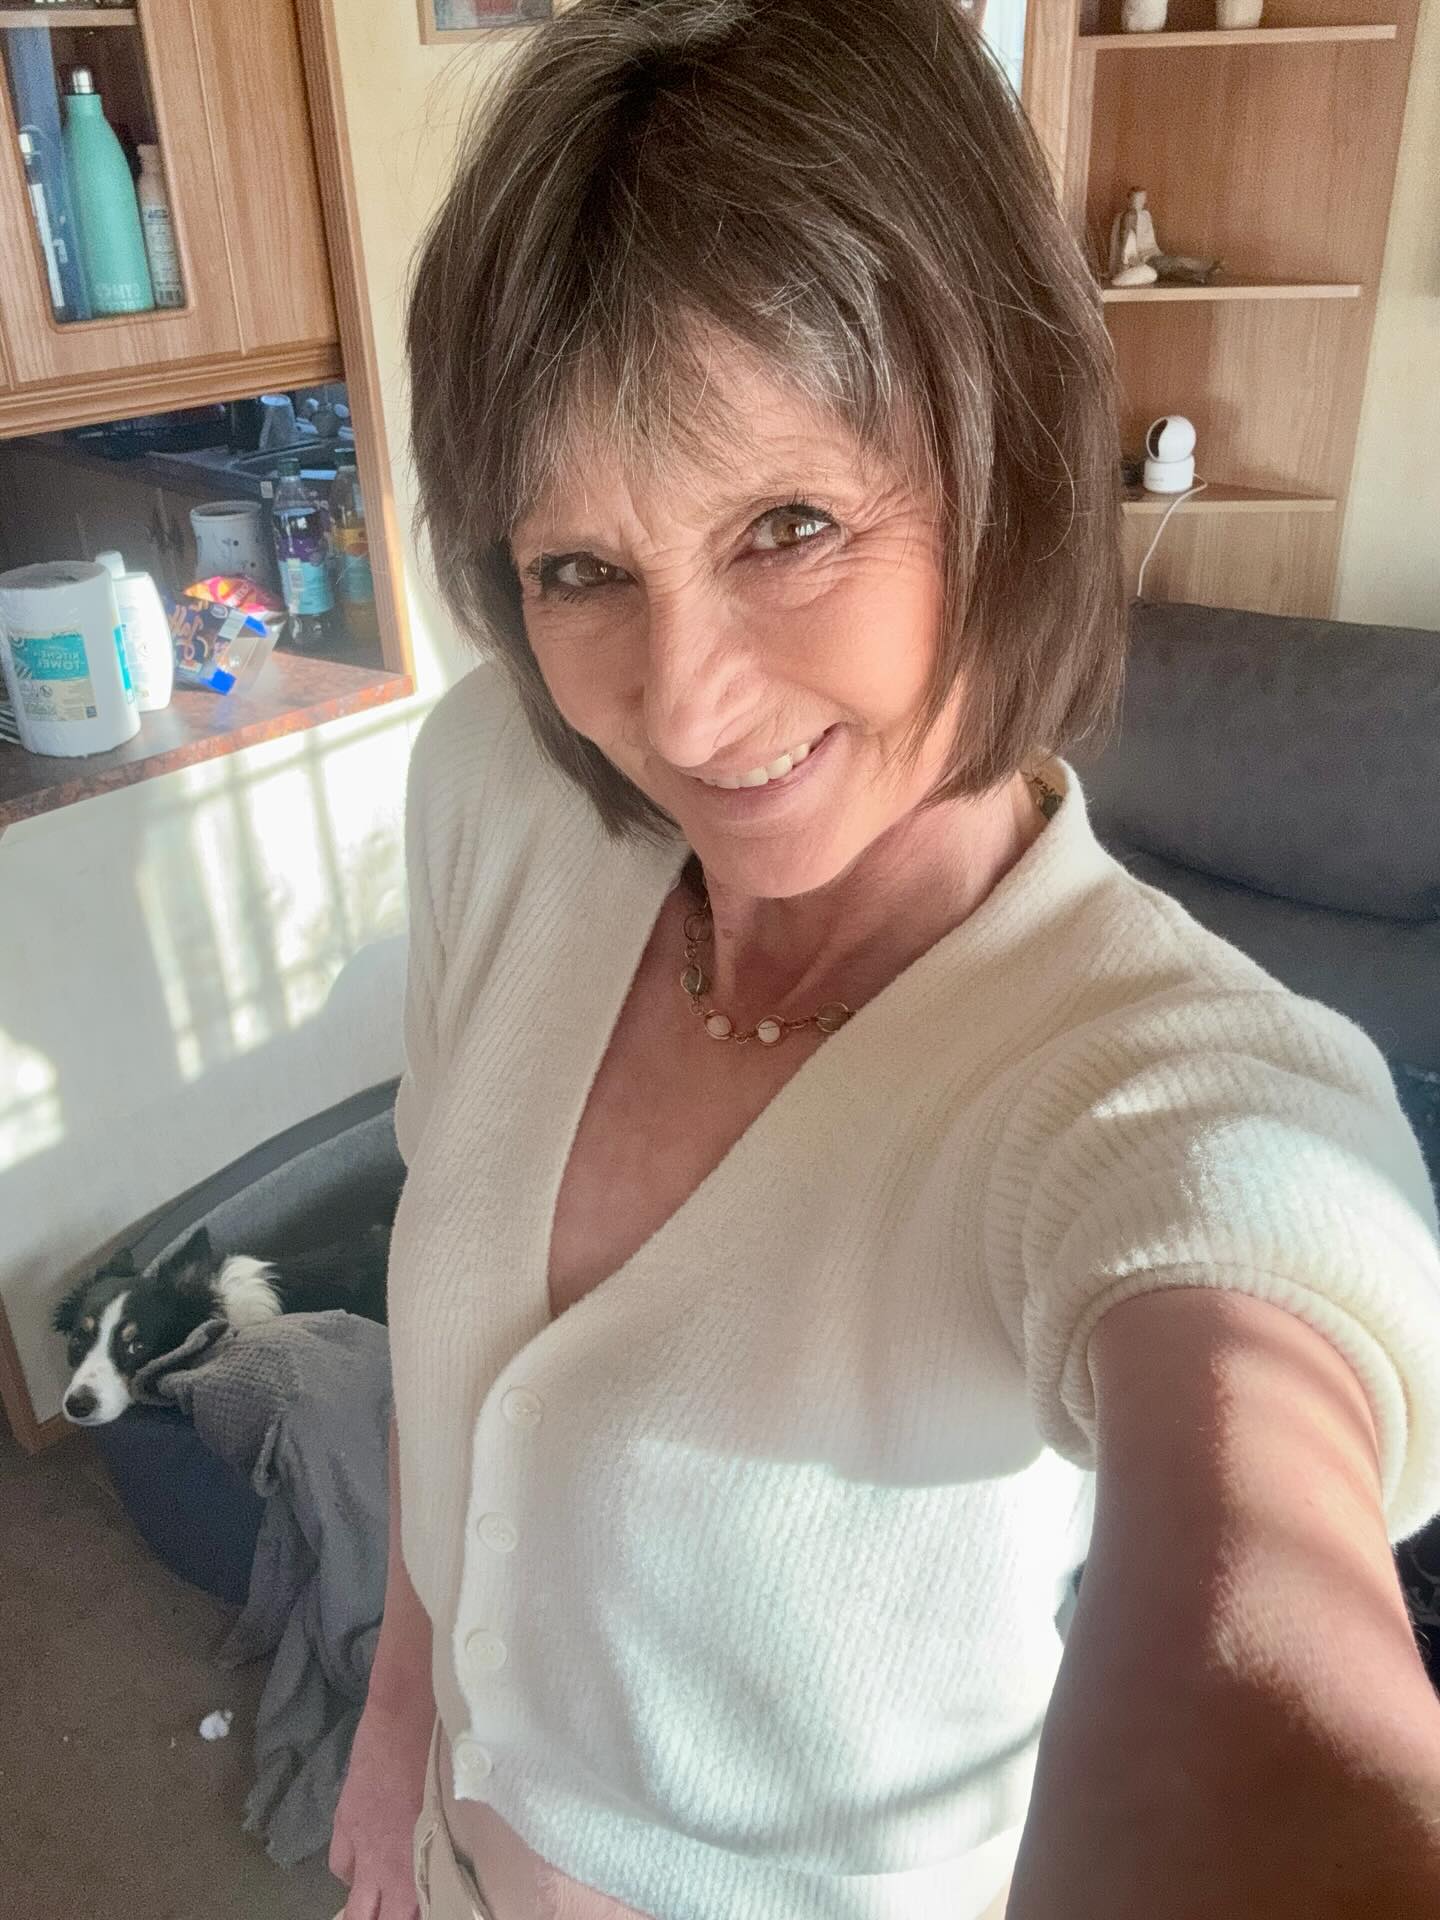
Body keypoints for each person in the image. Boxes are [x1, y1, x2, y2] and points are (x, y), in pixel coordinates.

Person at [331, 3, 1440, 1916]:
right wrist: (396, 1722)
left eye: (789, 526)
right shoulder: (499, 798)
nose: (686, 706)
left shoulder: (1155, 1077)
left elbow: (1266, 1597)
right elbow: (450, 1399)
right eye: (582, 569)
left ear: (1002, 476)